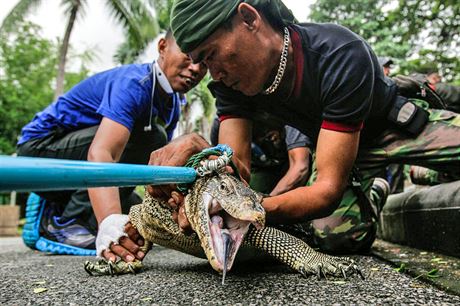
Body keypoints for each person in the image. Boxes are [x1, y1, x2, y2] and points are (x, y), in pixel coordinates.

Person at [148, 0, 460, 254]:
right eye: (203, 63)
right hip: (341, 153)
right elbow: (238, 170)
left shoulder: (338, 52)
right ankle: (378, 189)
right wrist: (200, 150)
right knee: (334, 237)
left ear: (248, 17)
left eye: (212, 55)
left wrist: (250, 208)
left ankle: (428, 172)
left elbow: (324, 192)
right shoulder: (231, 85)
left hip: (394, 128)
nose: (213, 75)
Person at [18, 30, 207, 262]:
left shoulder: (173, 103)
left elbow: (157, 165)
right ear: (162, 47)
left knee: (139, 218)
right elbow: (102, 151)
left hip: (82, 159)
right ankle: (69, 220)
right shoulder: (135, 84)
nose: (196, 69)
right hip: (40, 150)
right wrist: (108, 222)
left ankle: (59, 205)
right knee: (151, 138)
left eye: (203, 62)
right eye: (188, 56)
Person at [210, 116, 311, 195]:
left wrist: (268, 201)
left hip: (290, 161)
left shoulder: (286, 110)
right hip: (260, 168)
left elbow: (300, 168)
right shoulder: (221, 125)